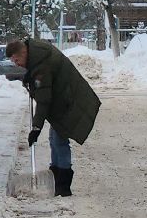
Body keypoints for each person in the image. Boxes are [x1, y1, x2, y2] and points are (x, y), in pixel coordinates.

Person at [6, 38, 101, 197]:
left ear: (23, 52)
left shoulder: (41, 66)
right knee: (54, 139)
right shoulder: (37, 55)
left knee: (60, 141)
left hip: (69, 102)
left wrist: (36, 128)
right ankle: (56, 178)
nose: (16, 64)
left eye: (16, 60)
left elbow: (44, 100)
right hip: (65, 99)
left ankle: (63, 185)